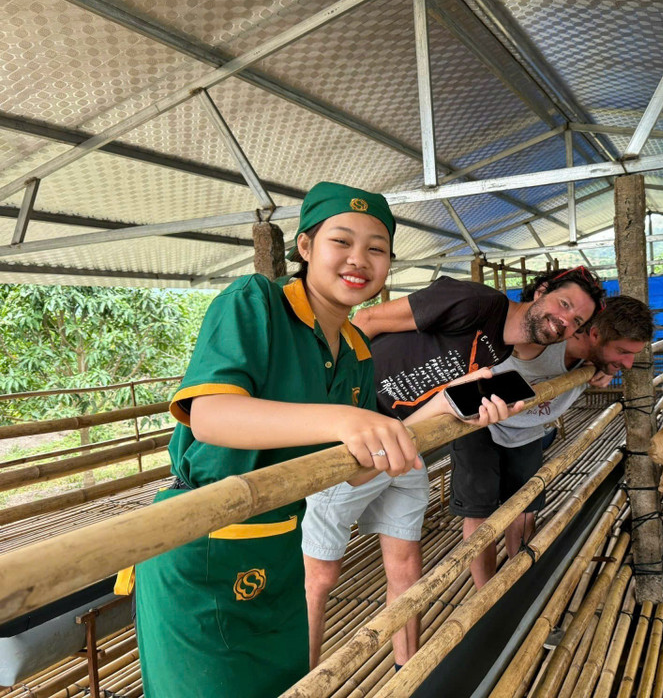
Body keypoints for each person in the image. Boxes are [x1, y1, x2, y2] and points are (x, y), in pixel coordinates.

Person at [133, 182, 515, 698]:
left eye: (376, 248)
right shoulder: (256, 301)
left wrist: (444, 407)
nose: (359, 259)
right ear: (305, 247)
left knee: (285, 683)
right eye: (342, 241)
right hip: (205, 542)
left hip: (282, 542)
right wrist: (343, 420)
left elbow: (355, 467)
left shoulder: (356, 347)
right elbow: (210, 416)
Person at [301, 266, 605, 670]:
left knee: (407, 568)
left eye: (576, 321)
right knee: (320, 577)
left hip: (404, 442)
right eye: (564, 304)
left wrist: (464, 412)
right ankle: (299, 681)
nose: (565, 320)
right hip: (355, 431)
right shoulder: (478, 302)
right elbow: (367, 320)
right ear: (541, 290)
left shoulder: (502, 353)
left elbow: (441, 398)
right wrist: (341, 407)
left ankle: (406, 671)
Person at [454, 294, 654, 587]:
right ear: (594, 334)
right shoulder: (540, 340)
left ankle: (518, 582)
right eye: (623, 351)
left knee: (525, 508)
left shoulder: (593, 359)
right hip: (479, 423)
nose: (628, 362)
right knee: (479, 514)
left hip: (528, 430)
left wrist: (603, 366)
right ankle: (485, 595)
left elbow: (603, 359)